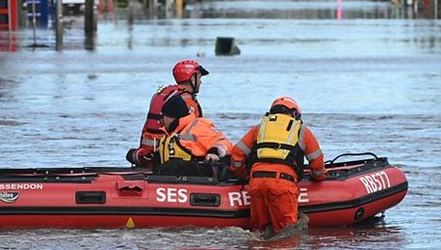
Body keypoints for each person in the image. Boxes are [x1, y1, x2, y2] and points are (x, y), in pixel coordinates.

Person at [230, 96, 326, 237]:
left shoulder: (259, 128)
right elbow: (317, 164)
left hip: (256, 183)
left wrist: (243, 175)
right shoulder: (300, 130)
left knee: (259, 233)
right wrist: (318, 177)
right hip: (282, 184)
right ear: (295, 113)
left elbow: (237, 155)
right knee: (287, 235)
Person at [127, 60, 209, 167]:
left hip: (147, 155)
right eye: (199, 78)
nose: (201, 82)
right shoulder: (188, 101)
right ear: (192, 79)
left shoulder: (160, 94)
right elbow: (196, 133)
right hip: (167, 158)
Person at [154, 95, 233, 178]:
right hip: (173, 180)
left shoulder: (197, 127)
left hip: (199, 174)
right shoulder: (169, 135)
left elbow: (224, 142)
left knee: (173, 166)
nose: (162, 121)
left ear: (170, 117)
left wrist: (214, 152)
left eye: (163, 117)